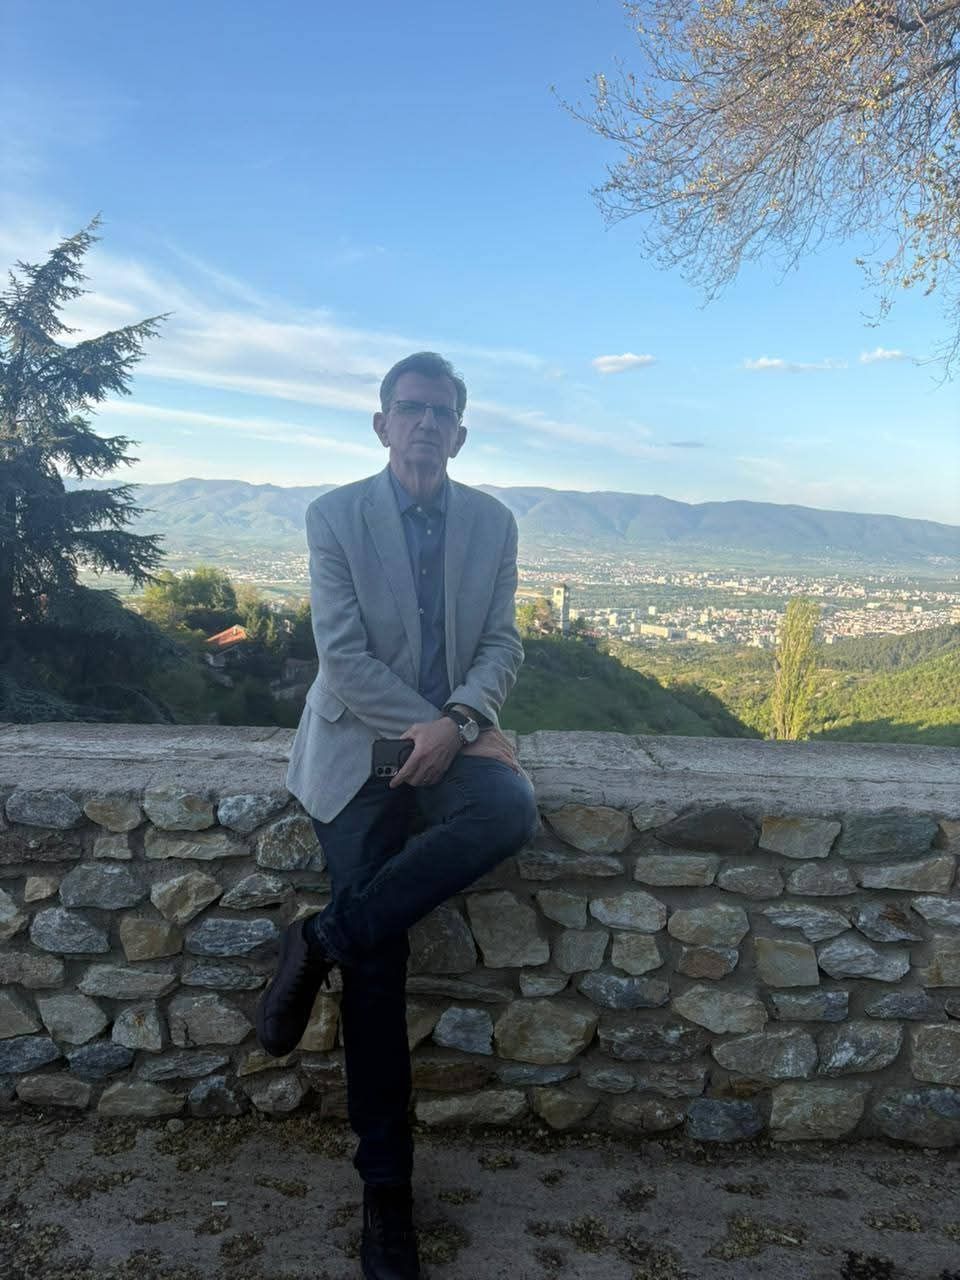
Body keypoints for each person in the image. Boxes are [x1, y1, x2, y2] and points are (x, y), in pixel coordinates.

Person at [256, 351, 539, 1280]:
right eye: (410, 408)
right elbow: (341, 659)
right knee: (379, 968)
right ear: (381, 424)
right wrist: (433, 727)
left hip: (452, 738)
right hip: (360, 746)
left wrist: (460, 721)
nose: (425, 423)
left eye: (441, 411)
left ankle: (321, 938)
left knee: (509, 810)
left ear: (461, 432)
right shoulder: (335, 516)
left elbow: (500, 642)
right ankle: (387, 1192)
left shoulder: (492, 523)